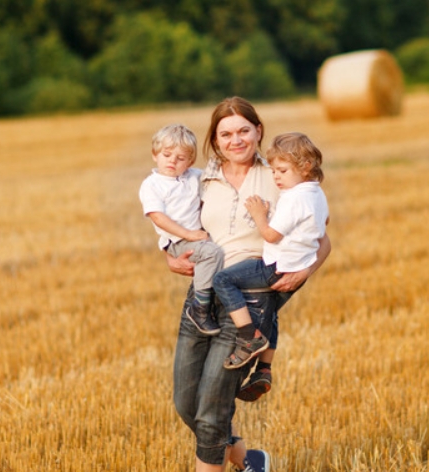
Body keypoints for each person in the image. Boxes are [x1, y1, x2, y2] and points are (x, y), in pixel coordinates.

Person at [167, 97, 332, 472]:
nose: (235, 140)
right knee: (186, 404)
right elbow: (176, 226)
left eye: (244, 130)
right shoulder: (200, 179)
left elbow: (322, 238)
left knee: (212, 412)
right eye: (225, 134)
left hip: (251, 300)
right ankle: (248, 461)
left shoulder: (278, 175)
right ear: (215, 139)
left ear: (259, 131)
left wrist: (305, 273)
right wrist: (170, 255)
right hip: (202, 299)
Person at [211, 132, 329, 404]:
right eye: (274, 170)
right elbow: (323, 223)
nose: (276, 177)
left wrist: (259, 214)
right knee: (272, 313)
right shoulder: (316, 194)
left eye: (283, 170)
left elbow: (271, 235)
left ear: (306, 167)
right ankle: (264, 368)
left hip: (276, 265)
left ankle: (248, 335)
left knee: (223, 280)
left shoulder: (293, 197)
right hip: (297, 268)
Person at [139, 123, 225, 335]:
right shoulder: (152, 185)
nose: (172, 161)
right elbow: (158, 217)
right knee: (213, 253)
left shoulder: (194, 176)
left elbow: (214, 179)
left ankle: (214, 299)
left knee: (215, 253)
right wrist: (188, 234)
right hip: (178, 241)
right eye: (166, 155)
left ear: (191, 161)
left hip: (197, 237)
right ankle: (201, 308)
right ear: (154, 155)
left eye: (180, 158)